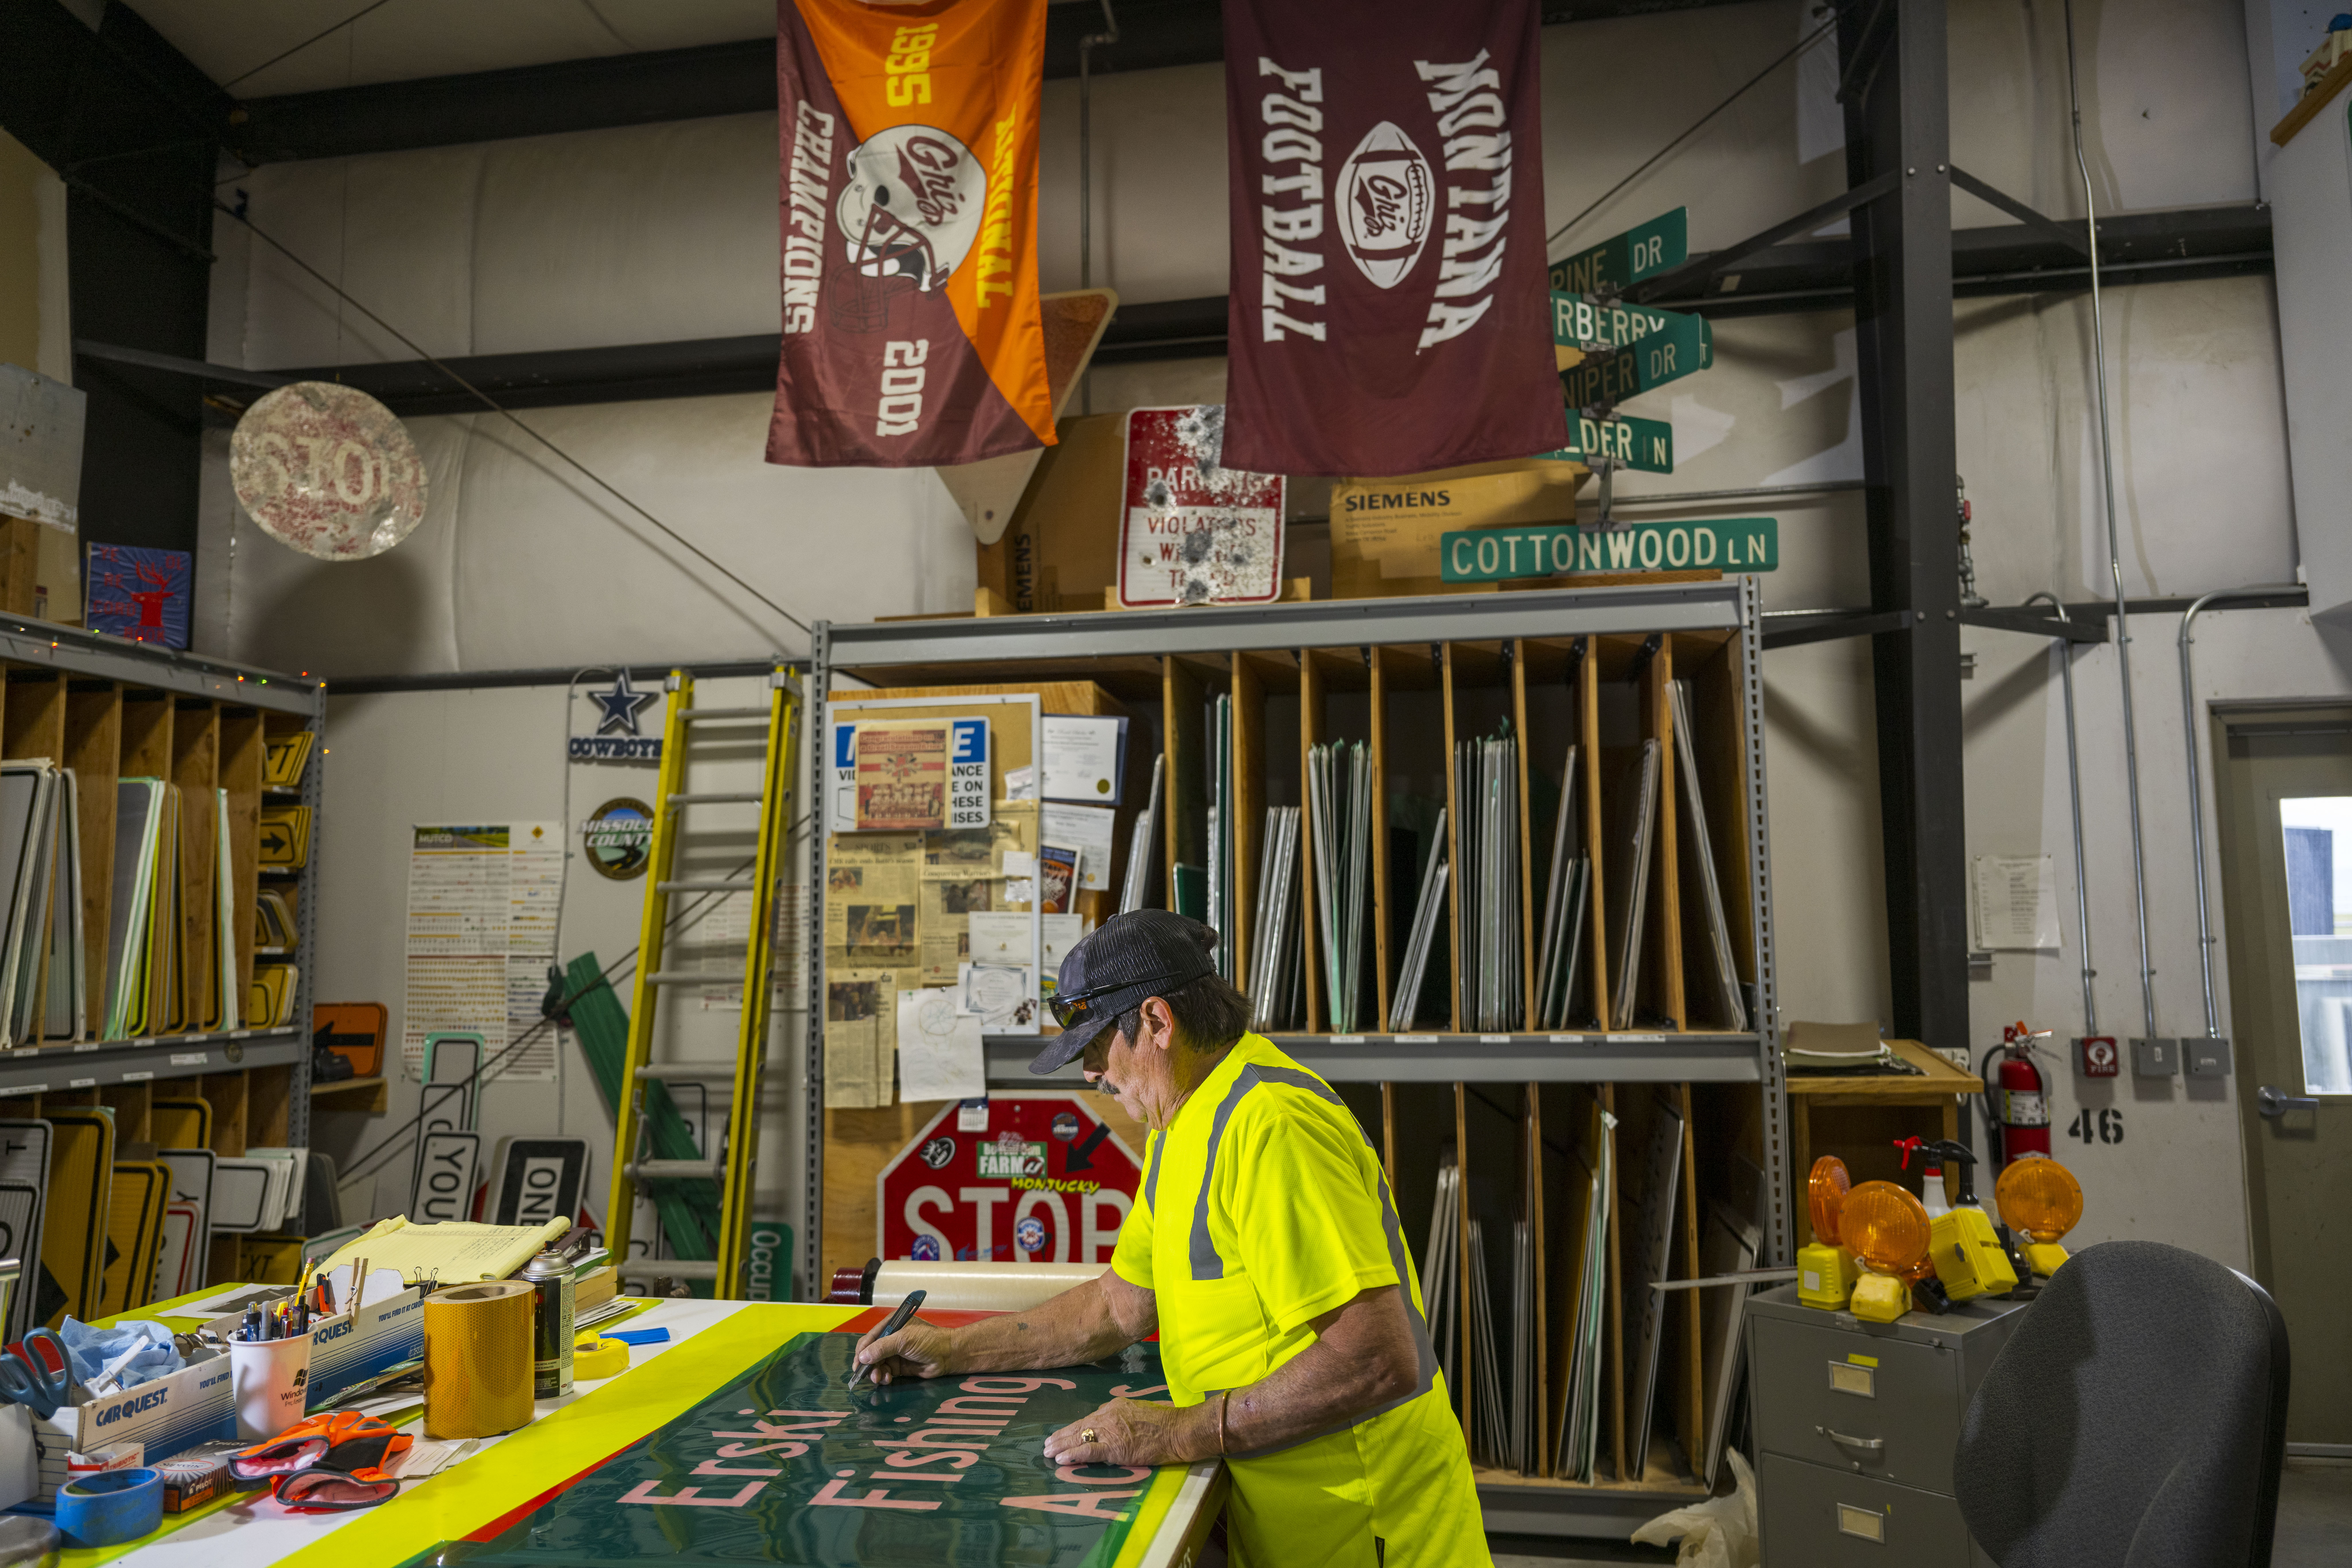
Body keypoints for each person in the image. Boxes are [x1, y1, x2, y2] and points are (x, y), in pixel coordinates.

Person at [855, 909, 1489, 1567]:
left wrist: (1183, 1431)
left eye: (1097, 1049)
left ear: (1157, 1022)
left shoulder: (1271, 1129)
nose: (1091, 1074)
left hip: (1369, 1528)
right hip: (1290, 1521)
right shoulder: (1183, 1123)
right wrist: (954, 1349)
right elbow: (1117, 1306)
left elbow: (1375, 1359)